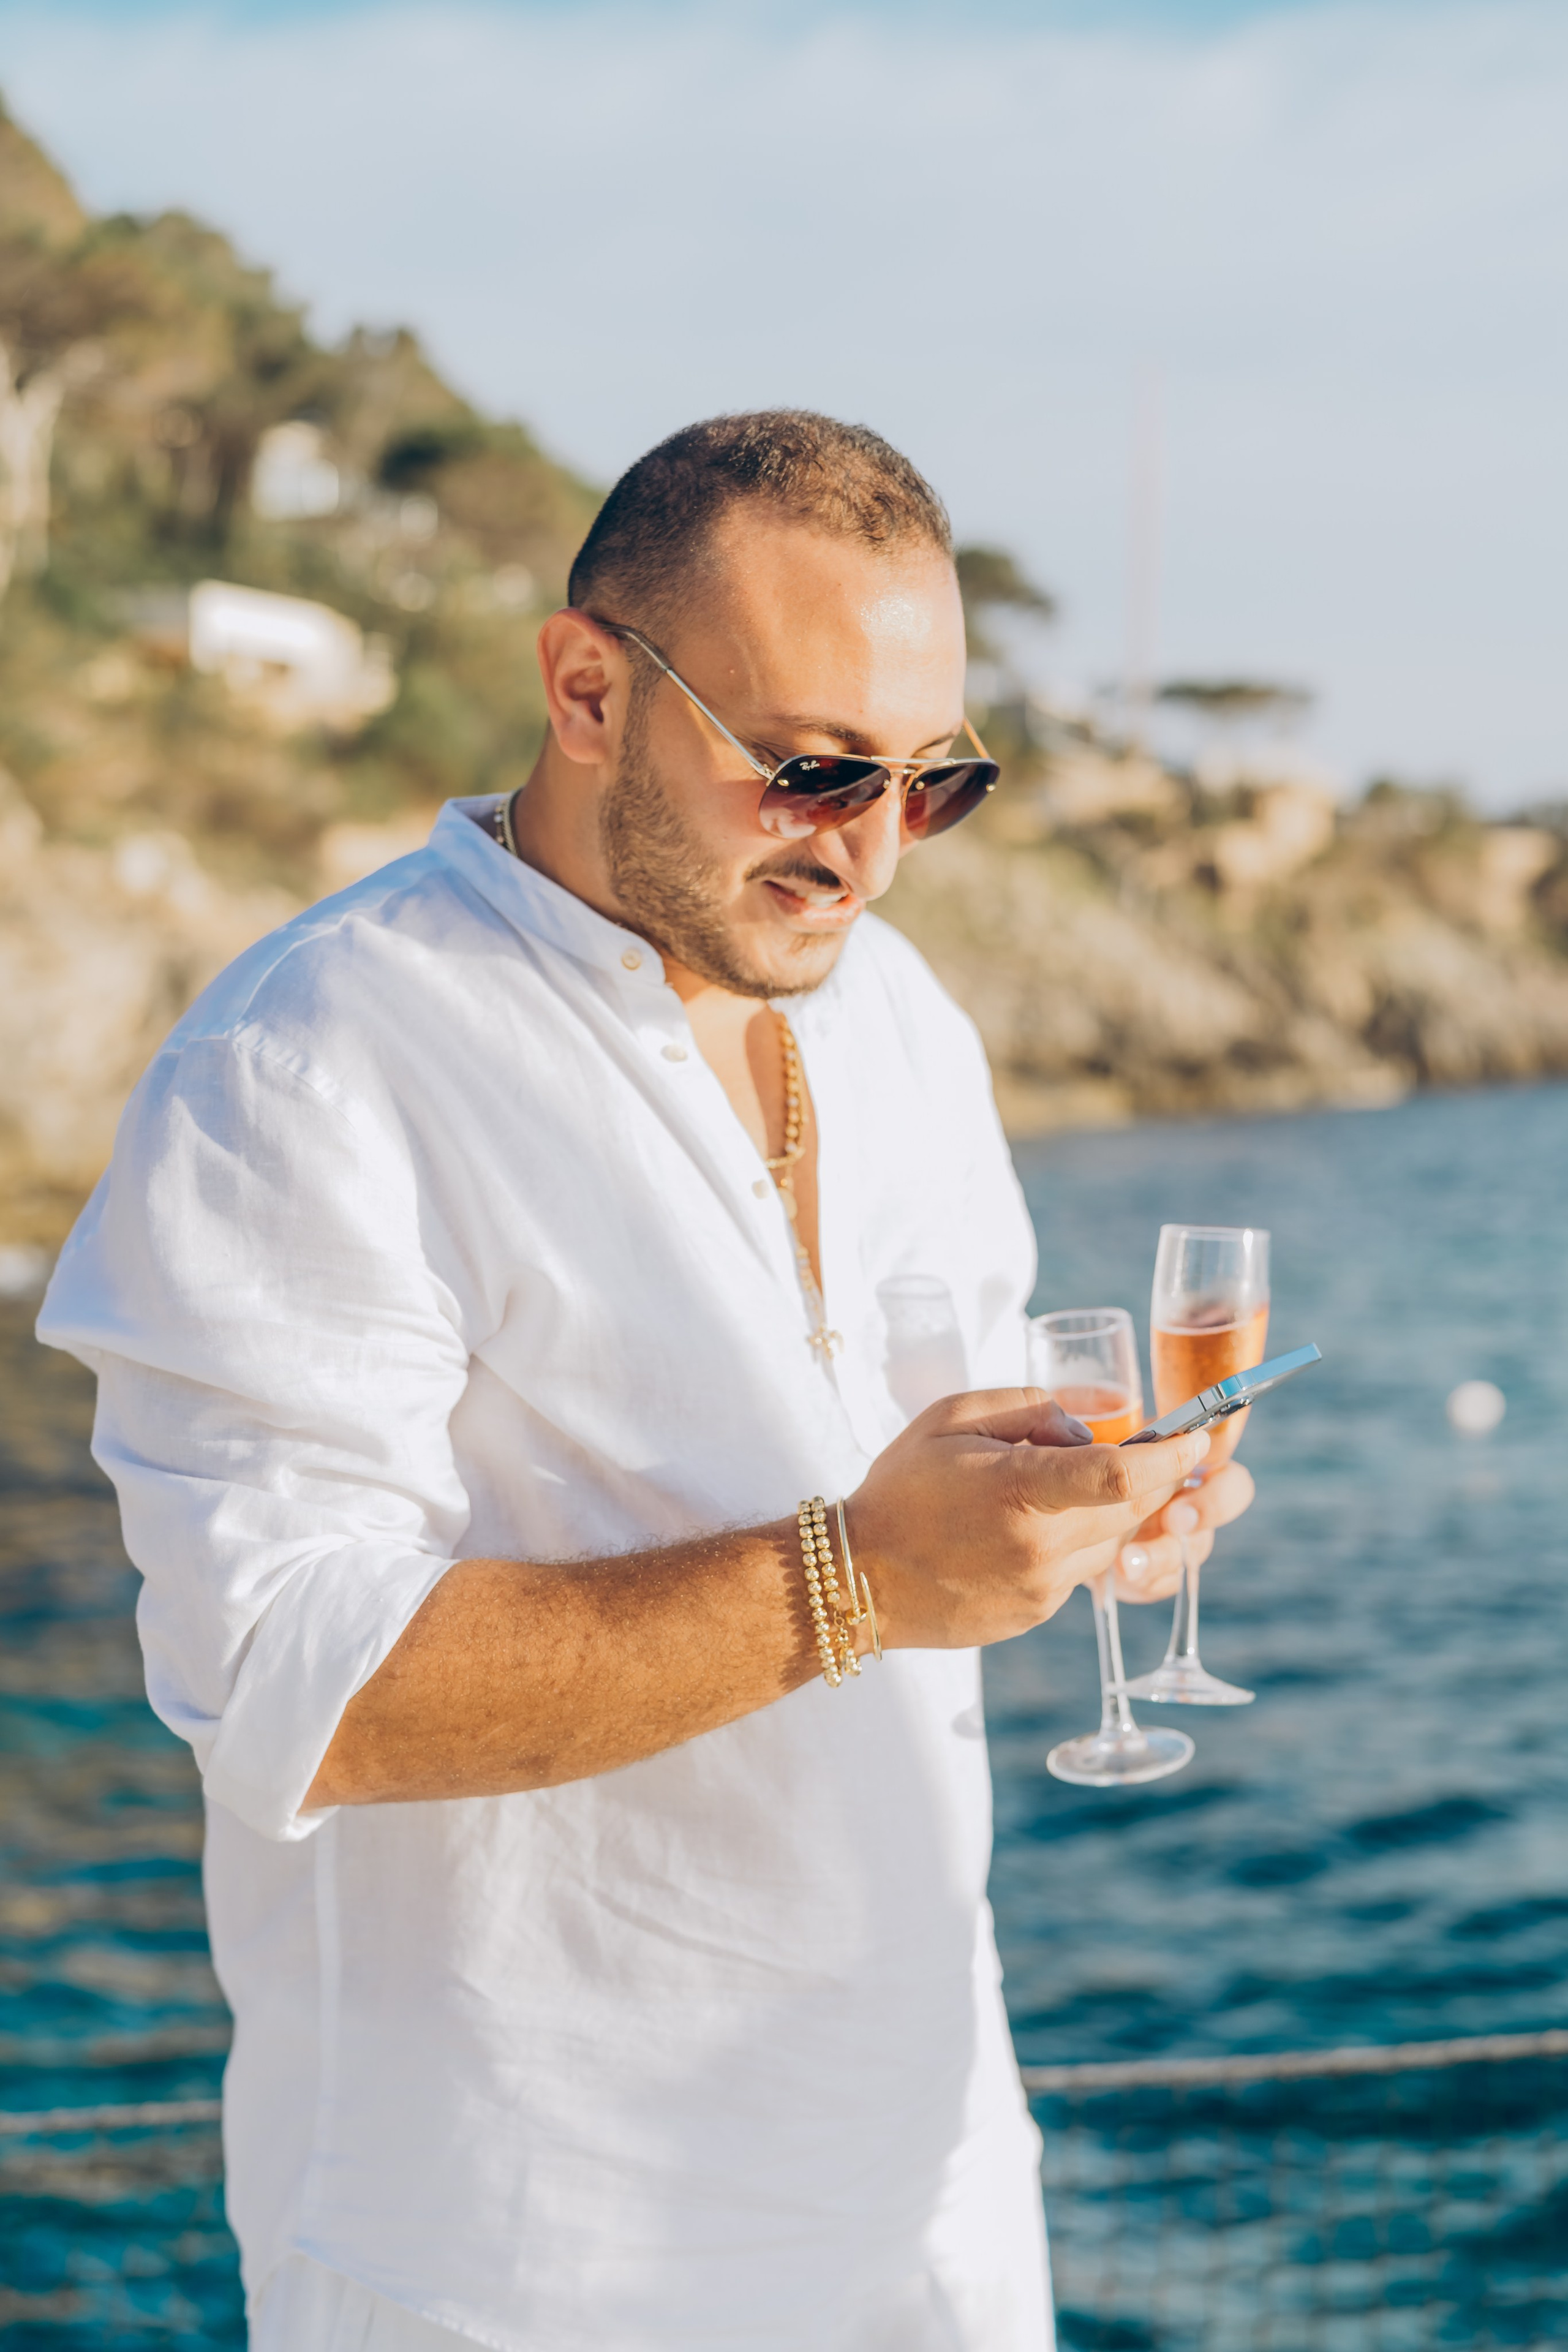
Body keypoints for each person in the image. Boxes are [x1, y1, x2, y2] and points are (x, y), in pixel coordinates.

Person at [38, 411, 1251, 2352]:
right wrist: (858, 1580)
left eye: (932, 783)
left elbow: (929, 1452)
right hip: (523, 2269)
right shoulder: (309, 1065)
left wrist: (1082, 1511)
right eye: (808, 768)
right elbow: (291, 1688)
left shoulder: (903, 1025)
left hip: (934, 2215)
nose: (864, 847)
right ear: (587, 686)